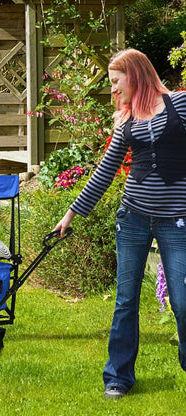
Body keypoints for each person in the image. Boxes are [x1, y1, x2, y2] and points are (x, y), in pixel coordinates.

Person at [54, 48, 186, 399]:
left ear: (136, 75)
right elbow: (106, 171)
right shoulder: (125, 121)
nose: (113, 90)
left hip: (177, 220)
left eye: (116, 82)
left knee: (183, 299)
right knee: (126, 299)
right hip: (133, 218)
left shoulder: (180, 105)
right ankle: (118, 377)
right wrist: (71, 213)